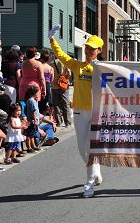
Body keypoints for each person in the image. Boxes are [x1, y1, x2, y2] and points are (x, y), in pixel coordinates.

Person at [50, 25, 103, 198]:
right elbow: (62, 56)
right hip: (80, 111)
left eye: (92, 49)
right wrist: (52, 40)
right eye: (87, 48)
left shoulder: (104, 68)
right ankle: (95, 171)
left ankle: (89, 184)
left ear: (99, 50)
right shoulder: (78, 66)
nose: (88, 51)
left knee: (90, 148)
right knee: (82, 148)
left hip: (97, 113)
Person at [50, 57, 72, 127]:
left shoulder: (51, 63)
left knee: (56, 104)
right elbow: (69, 73)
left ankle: (59, 122)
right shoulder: (64, 62)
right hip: (63, 86)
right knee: (66, 104)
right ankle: (67, 122)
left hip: (54, 85)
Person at [24, 85, 41, 153]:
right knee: (30, 135)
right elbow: (33, 111)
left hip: (31, 120)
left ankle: (33, 146)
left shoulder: (30, 100)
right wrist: (35, 120)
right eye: (37, 92)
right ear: (34, 93)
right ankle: (29, 147)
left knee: (32, 134)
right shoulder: (32, 101)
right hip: (32, 121)